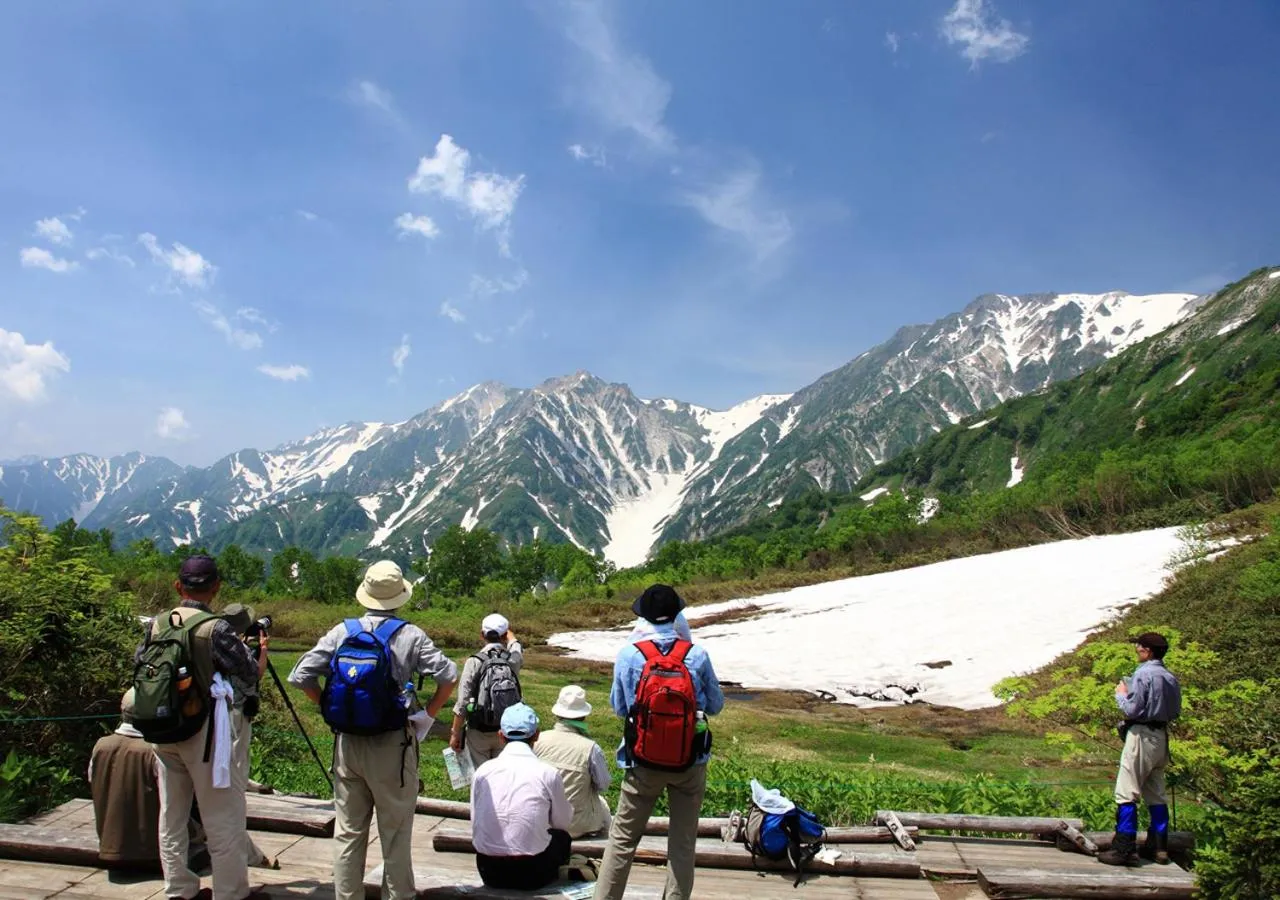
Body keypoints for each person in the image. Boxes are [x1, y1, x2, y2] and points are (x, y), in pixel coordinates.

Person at [289, 560, 457, 900]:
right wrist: (427, 714)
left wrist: (327, 707)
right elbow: (449, 676)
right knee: (395, 835)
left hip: (347, 745)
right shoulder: (410, 635)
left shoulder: (342, 631)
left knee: (348, 833)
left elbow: (300, 675)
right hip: (392, 746)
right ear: (399, 596)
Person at [147, 555, 268, 900]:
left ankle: (179, 889)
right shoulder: (215, 628)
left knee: (171, 815)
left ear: (178, 585)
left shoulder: (157, 623)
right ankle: (231, 892)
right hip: (203, 733)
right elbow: (249, 673)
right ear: (216, 587)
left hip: (162, 727)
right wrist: (259, 652)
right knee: (222, 817)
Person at [594, 585, 724, 900]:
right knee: (682, 844)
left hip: (642, 761)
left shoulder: (629, 654)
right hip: (689, 762)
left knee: (622, 840)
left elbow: (619, 707)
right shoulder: (696, 654)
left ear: (645, 616)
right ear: (676, 614)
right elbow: (716, 705)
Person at [1097, 631, 1182, 867]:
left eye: (1140, 646)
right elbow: (1175, 711)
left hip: (1141, 735)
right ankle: (1159, 847)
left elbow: (1131, 710)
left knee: (1127, 791)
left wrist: (1121, 695)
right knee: (1156, 792)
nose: (1137, 649)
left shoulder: (1143, 674)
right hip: (1161, 737)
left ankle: (1124, 848)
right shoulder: (1170, 677)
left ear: (1148, 651)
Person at [470, 703, 573, 890]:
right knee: (562, 838)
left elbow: (476, 820)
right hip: (532, 874)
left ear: (501, 736)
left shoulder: (483, 771)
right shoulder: (547, 773)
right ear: (536, 735)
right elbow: (562, 823)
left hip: (489, 870)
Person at [534, 685, 611, 838]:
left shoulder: (538, 740)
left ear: (557, 713)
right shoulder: (591, 748)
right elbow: (603, 785)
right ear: (583, 716)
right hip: (576, 826)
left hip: (541, 821)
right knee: (603, 804)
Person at [449, 613, 524, 771]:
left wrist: (455, 733)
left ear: (482, 635)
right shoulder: (513, 660)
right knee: (502, 775)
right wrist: (510, 636)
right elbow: (516, 645)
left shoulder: (474, 661)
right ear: (504, 635)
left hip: (478, 730)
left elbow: (463, 701)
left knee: (480, 775)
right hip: (505, 730)